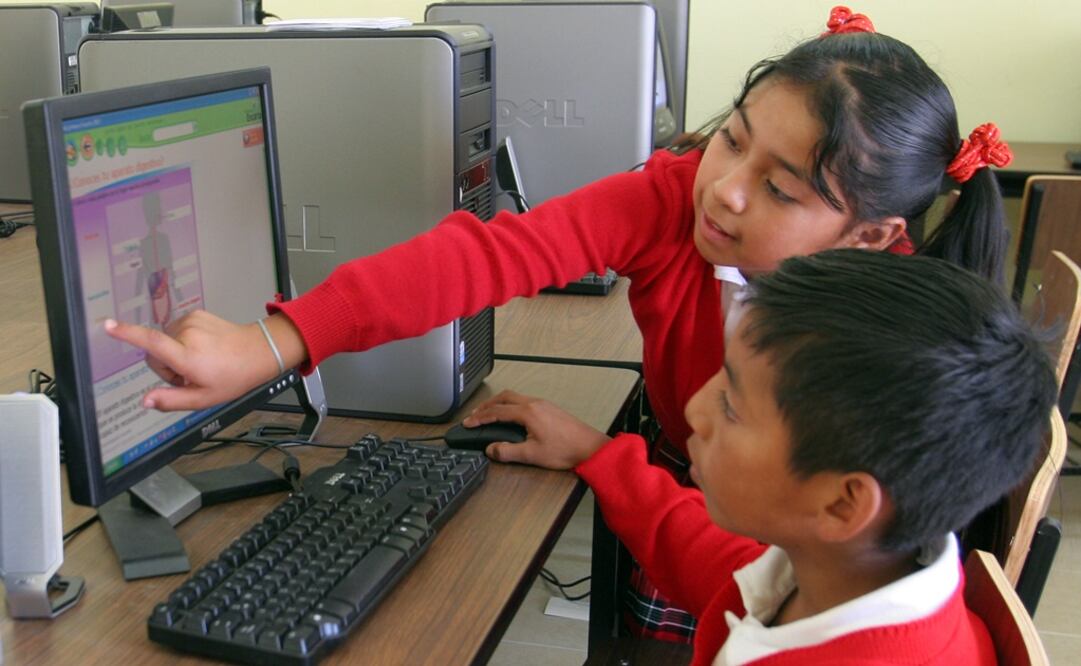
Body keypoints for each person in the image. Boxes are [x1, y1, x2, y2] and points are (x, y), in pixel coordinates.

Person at [104, 5, 1015, 641]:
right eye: (731, 136)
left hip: (787, 561)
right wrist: (274, 342)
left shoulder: (882, 355)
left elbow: (764, 577)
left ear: (871, 235)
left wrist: (611, 462)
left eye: (777, 187)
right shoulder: (677, 195)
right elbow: (489, 256)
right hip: (722, 532)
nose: (724, 186)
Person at [467, 249, 1056, 665]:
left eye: (732, 403)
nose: (695, 409)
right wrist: (595, 452)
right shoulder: (858, 571)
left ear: (844, 501)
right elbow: (713, 561)